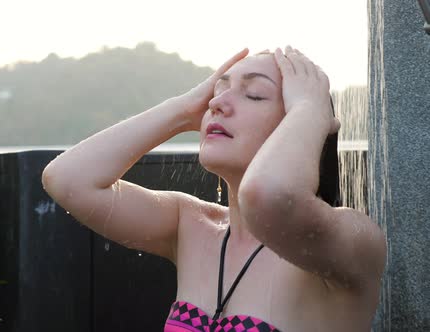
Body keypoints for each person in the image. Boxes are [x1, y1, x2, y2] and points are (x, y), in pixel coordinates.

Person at [41, 46, 387, 332]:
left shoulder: (346, 242)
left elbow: (268, 196)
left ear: (303, 125)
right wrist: (183, 110)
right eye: (217, 92)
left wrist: (312, 108)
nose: (216, 104)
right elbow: (67, 179)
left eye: (253, 94)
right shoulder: (191, 225)